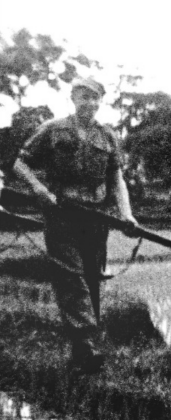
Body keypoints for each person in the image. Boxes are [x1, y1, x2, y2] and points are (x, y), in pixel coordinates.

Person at [12, 76, 137, 374]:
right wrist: (39, 189)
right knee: (71, 278)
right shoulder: (53, 129)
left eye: (95, 98)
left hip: (96, 216)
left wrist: (127, 214)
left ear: (100, 102)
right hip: (62, 214)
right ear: (73, 98)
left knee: (92, 279)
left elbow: (116, 179)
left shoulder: (107, 136)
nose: (89, 104)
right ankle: (90, 343)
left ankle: (82, 351)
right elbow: (20, 164)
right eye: (84, 97)